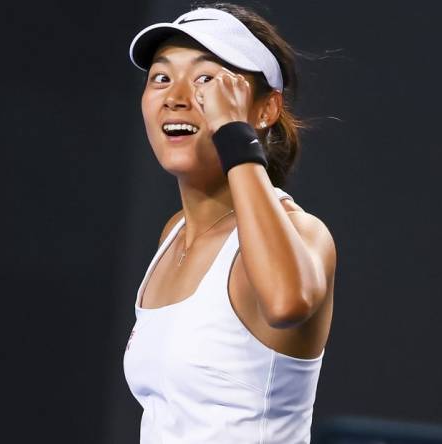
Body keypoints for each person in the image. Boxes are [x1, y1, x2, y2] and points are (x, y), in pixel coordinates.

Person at [122, 3, 336, 444]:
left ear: (265, 109)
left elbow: (285, 302)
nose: (177, 96)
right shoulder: (174, 234)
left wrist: (234, 135)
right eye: (161, 77)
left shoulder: (303, 232)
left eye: (207, 81)